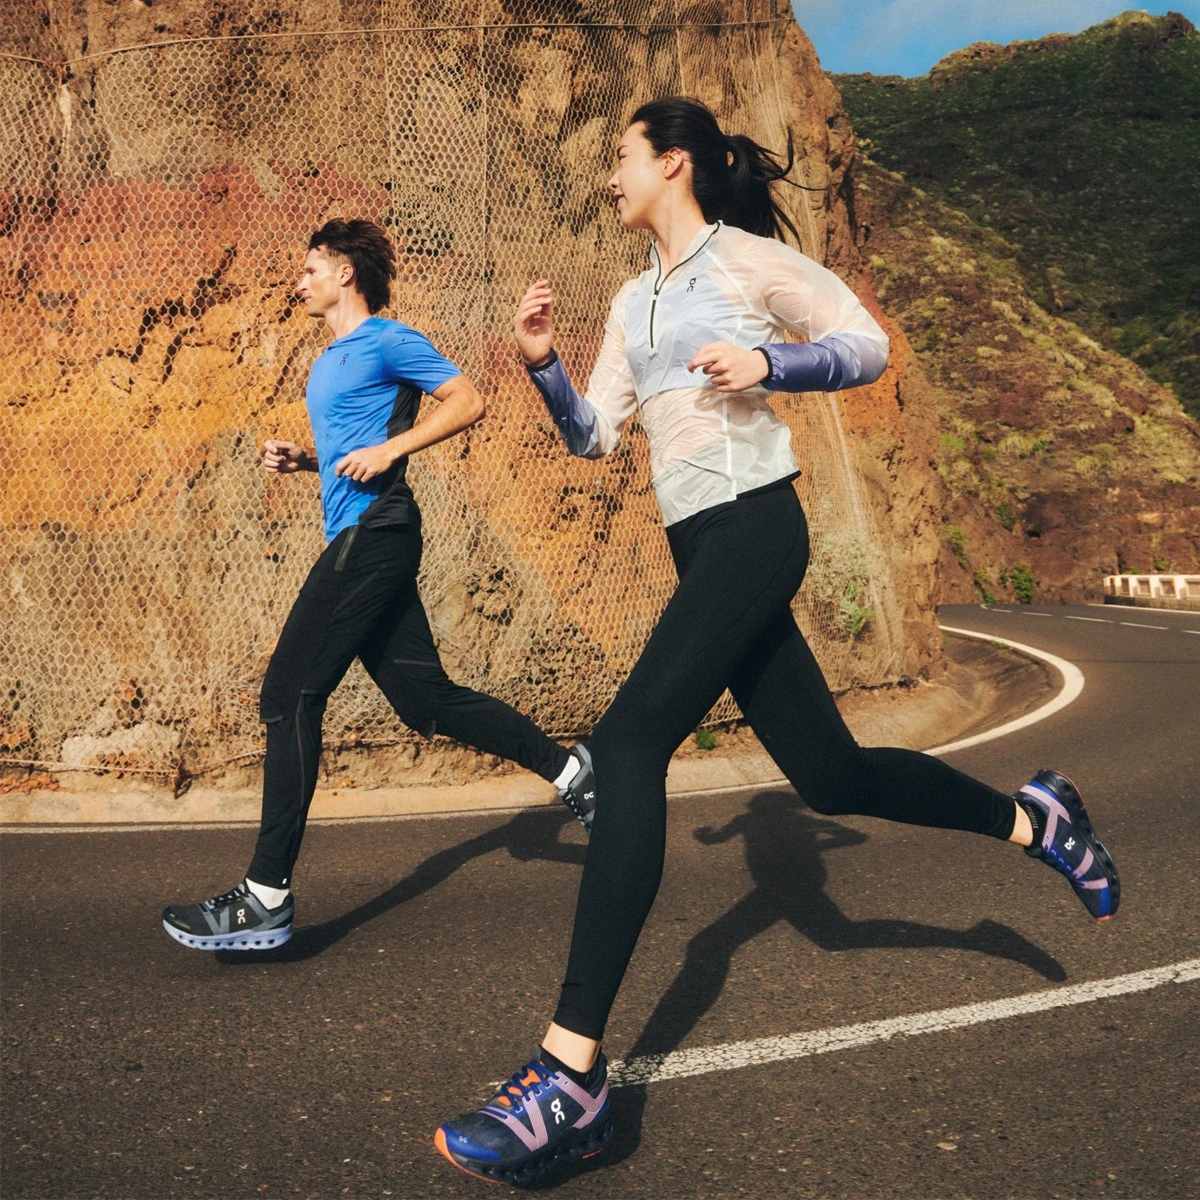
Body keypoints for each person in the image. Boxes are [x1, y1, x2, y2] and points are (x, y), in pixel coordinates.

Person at [433, 98, 1120, 1184]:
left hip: (757, 527)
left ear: (673, 162)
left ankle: (571, 1078)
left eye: (622, 157)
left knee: (627, 747)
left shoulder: (745, 262)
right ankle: (1038, 822)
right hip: (701, 548)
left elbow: (866, 345)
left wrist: (773, 367)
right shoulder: (631, 300)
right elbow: (593, 438)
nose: (609, 176)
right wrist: (542, 364)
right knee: (833, 776)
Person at [162, 218, 594, 951]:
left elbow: (467, 400)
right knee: (427, 700)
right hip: (362, 535)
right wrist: (308, 461)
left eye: (310, 269)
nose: (300, 282)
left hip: (377, 534)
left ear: (344, 273)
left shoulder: (388, 340)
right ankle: (572, 770)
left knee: (289, 694)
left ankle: (265, 898)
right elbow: (351, 450)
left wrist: (393, 448)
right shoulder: (329, 359)